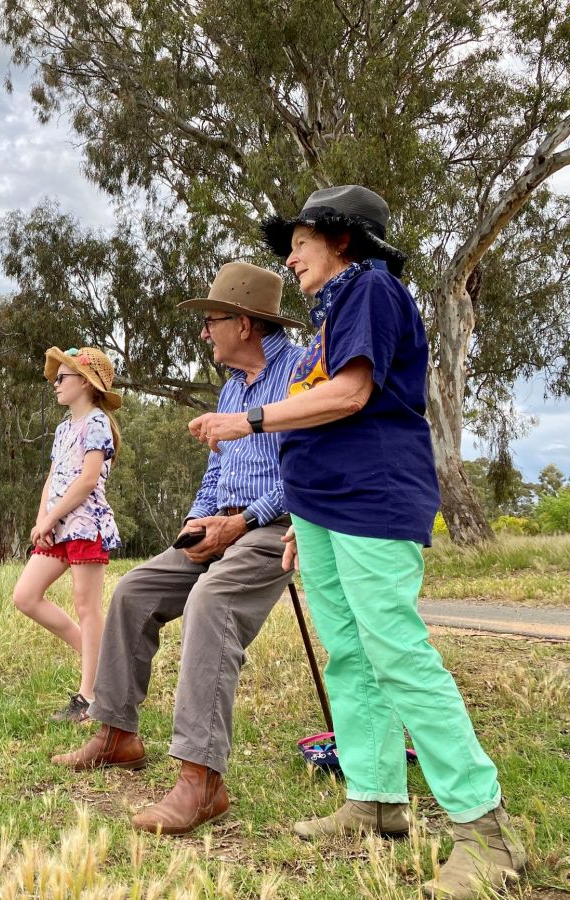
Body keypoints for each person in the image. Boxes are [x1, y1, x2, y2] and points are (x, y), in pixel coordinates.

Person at [190, 185, 527, 899]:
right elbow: (324, 403)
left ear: (341, 240)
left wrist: (248, 421)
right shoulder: (335, 307)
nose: (292, 255)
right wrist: (303, 519)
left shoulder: (371, 288)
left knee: (397, 653)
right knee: (350, 654)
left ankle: (486, 830)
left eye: (302, 241)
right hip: (325, 509)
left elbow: (349, 395)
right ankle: (375, 799)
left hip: (372, 498)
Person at [51, 262, 307, 837]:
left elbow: (308, 472)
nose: (202, 332)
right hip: (222, 524)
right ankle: (117, 733)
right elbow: (216, 471)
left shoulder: (298, 374)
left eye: (211, 320)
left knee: (211, 602)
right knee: (134, 590)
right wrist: (198, 522)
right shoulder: (231, 387)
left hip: (274, 528)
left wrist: (241, 522)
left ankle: (203, 780)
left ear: (243, 324)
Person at [12, 346, 123, 723]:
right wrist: (42, 519)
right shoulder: (63, 428)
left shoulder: (96, 422)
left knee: (86, 607)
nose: (55, 384)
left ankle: (90, 696)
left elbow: (87, 480)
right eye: (55, 378)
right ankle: (103, 663)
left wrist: (51, 519)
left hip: (84, 525)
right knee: (25, 596)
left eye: (63, 377)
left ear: (86, 383)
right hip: (57, 526)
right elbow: (53, 477)